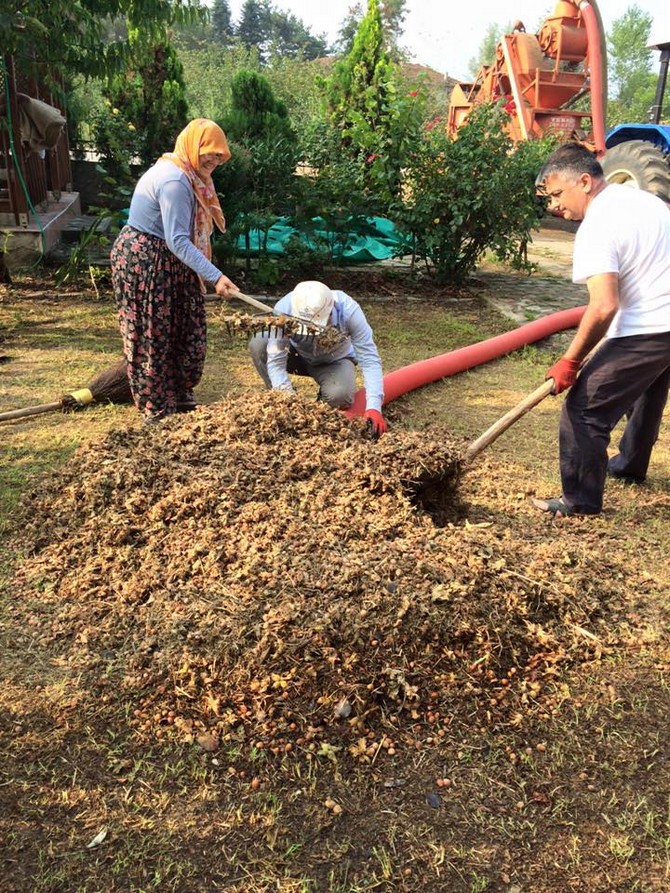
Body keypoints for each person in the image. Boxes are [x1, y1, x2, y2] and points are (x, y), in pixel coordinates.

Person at [532, 142, 670, 517]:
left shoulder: (597, 226)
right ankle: (631, 463)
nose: (554, 206)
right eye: (549, 198)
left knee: (583, 409)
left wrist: (570, 360)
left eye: (558, 194)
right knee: (647, 391)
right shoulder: (645, 201)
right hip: (663, 322)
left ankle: (579, 501)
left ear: (586, 181)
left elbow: (604, 304)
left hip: (651, 326)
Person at [111, 118, 238, 423]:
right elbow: (178, 239)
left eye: (220, 156)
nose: (215, 160)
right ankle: (156, 408)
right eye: (210, 151)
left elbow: (180, 242)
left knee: (187, 326)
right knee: (154, 334)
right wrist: (216, 277)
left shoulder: (193, 175)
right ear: (194, 145)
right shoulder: (175, 180)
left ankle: (179, 395)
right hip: (145, 260)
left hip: (170, 260)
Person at [248, 280, 387, 436]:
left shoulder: (349, 310)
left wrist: (374, 407)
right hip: (296, 355)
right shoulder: (285, 308)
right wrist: (289, 402)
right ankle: (277, 396)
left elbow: (369, 359)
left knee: (340, 397)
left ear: (330, 309)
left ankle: (321, 407)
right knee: (259, 344)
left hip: (334, 360)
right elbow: (276, 359)